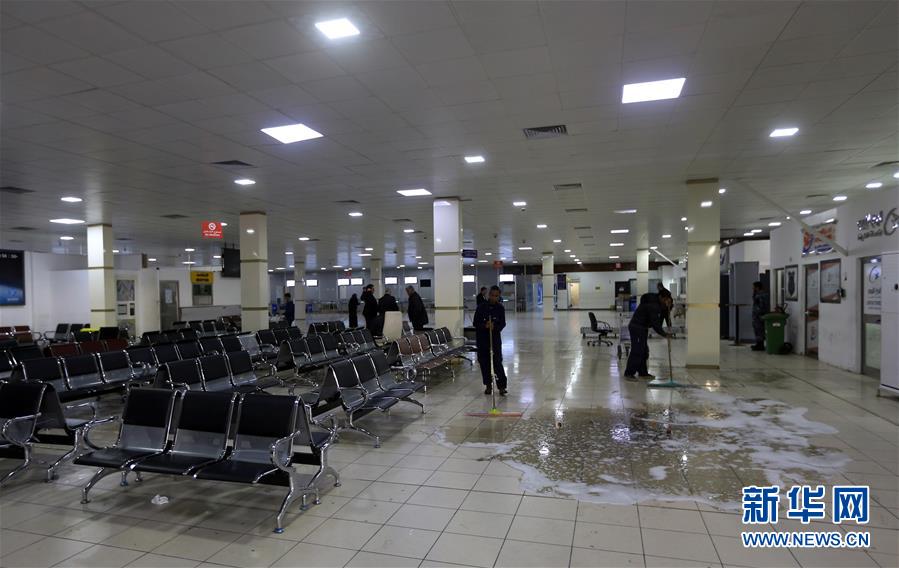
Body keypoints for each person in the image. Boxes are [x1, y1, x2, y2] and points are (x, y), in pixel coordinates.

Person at [623, 290, 672, 379]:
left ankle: (643, 372)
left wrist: (667, 307)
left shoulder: (656, 303)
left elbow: (660, 317)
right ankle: (629, 373)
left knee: (644, 351)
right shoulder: (652, 305)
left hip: (643, 328)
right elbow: (655, 323)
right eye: (665, 299)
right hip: (637, 328)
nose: (666, 301)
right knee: (637, 350)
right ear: (660, 297)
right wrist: (664, 334)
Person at [472, 285, 508, 395]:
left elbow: (502, 323)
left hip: (495, 339)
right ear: (489, 295)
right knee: (484, 363)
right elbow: (475, 323)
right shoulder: (481, 307)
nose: (494, 298)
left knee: (497, 362)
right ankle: (488, 385)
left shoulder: (500, 308)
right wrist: (485, 325)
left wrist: (495, 327)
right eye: (492, 295)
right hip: (483, 339)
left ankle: (502, 386)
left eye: (496, 296)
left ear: (499, 296)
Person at [751, 281, 770, 351]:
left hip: (759, 315)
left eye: (753, 287)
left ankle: (760, 345)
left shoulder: (761, 295)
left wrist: (758, 313)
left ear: (757, 287)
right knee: (757, 330)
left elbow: (762, 306)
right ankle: (758, 344)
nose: (752, 288)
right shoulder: (758, 294)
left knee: (759, 330)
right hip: (757, 315)